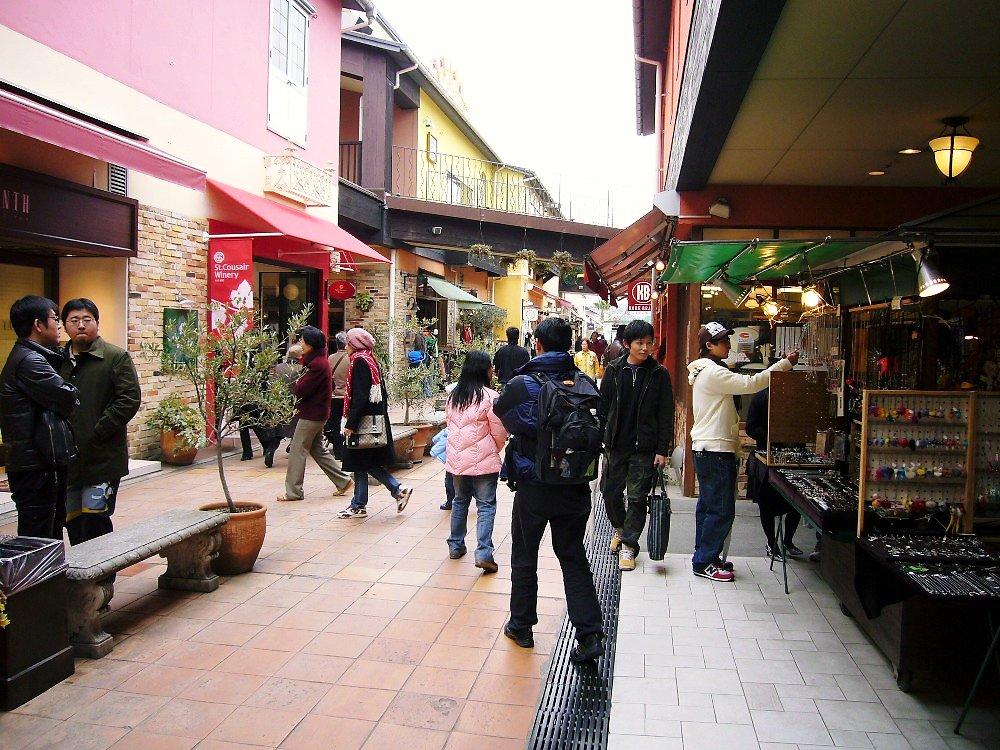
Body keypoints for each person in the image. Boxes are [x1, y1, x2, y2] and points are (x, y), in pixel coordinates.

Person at [494, 316, 604, 663]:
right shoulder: (584, 382)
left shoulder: (522, 384)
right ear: (570, 344)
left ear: (537, 345)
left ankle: (522, 626)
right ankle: (589, 634)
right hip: (575, 483)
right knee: (572, 556)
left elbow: (504, 414)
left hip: (535, 486)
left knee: (525, 555)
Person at [687, 322, 798, 582]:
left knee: (709, 507)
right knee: (720, 509)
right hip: (715, 449)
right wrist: (784, 364)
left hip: (708, 448)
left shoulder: (707, 369)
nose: (728, 344)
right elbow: (751, 383)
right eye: (723, 341)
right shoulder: (713, 372)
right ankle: (705, 561)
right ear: (709, 345)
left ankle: (705, 555)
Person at [59, 299, 141, 545]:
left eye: (87, 320)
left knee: (96, 519)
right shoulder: (57, 359)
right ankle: (82, 568)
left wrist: (98, 430)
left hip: (102, 457)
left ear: (97, 322)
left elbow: (129, 399)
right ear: (64, 325)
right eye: (74, 320)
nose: (81, 325)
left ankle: (103, 570)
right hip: (67, 459)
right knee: (73, 519)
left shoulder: (114, 357)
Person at [0, 296, 79, 539]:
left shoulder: (33, 356)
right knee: (39, 533)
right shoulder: (30, 360)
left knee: (48, 528)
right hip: (35, 463)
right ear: (38, 325)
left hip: (38, 460)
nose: (59, 325)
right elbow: (68, 397)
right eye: (55, 319)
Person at [599, 320, 674, 571]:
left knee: (637, 498)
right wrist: (601, 438)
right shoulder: (614, 370)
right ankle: (620, 529)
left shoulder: (659, 374)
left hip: (644, 448)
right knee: (610, 493)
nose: (645, 348)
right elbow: (603, 407)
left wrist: (662, 449)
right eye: (639, 343)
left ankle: (629, 546)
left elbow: (666, 413)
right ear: (626, 344)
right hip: (615, 444)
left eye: (649, 343)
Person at [338, 327, 413, 518]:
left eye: (348, 343)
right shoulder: (370, 360)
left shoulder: (360, 362)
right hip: (371, 422)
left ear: (355, 344)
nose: (346, 346)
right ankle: (362, 503)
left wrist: (350, 423)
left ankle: (394, 490)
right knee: (362, 463)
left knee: (362, 463)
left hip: (363, 425)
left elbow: (361, 396)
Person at [445, 351, 508, 573]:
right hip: (484, 460)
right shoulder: (490, 397)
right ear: (485, 370)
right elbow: (499, 430)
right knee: (486, 505)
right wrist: (494, 449)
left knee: (460, 501)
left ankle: (455, 545)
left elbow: (449, 425)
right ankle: (483, 553)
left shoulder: (454, 396)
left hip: (457, 460)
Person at [277, 326, 353, 501]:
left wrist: (297, 381)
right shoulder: (318, 361)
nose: (300, 343)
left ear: (310, 344)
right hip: (318, 412)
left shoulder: (316, 364)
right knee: (317, 449)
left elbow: (301, 389)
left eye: (302, 340)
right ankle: (343, 480)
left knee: (297, 449)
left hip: (312, 414)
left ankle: (293, 491)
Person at [745, 388, 803, 559]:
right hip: (766, 456)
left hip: (793, 456)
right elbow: (751, 428)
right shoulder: (760, 398)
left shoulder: (796, 398)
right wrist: (772, 435)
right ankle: (771, 543)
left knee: (797, 502)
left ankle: (788, 541)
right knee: (766, 504)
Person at [325, 331, 350, 458]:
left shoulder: (330, 358)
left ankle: (338, 451)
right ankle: (346, 449)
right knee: (347, 423)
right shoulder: (351, 358)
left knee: (335, 424)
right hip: (346, 396)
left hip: (333, 396)